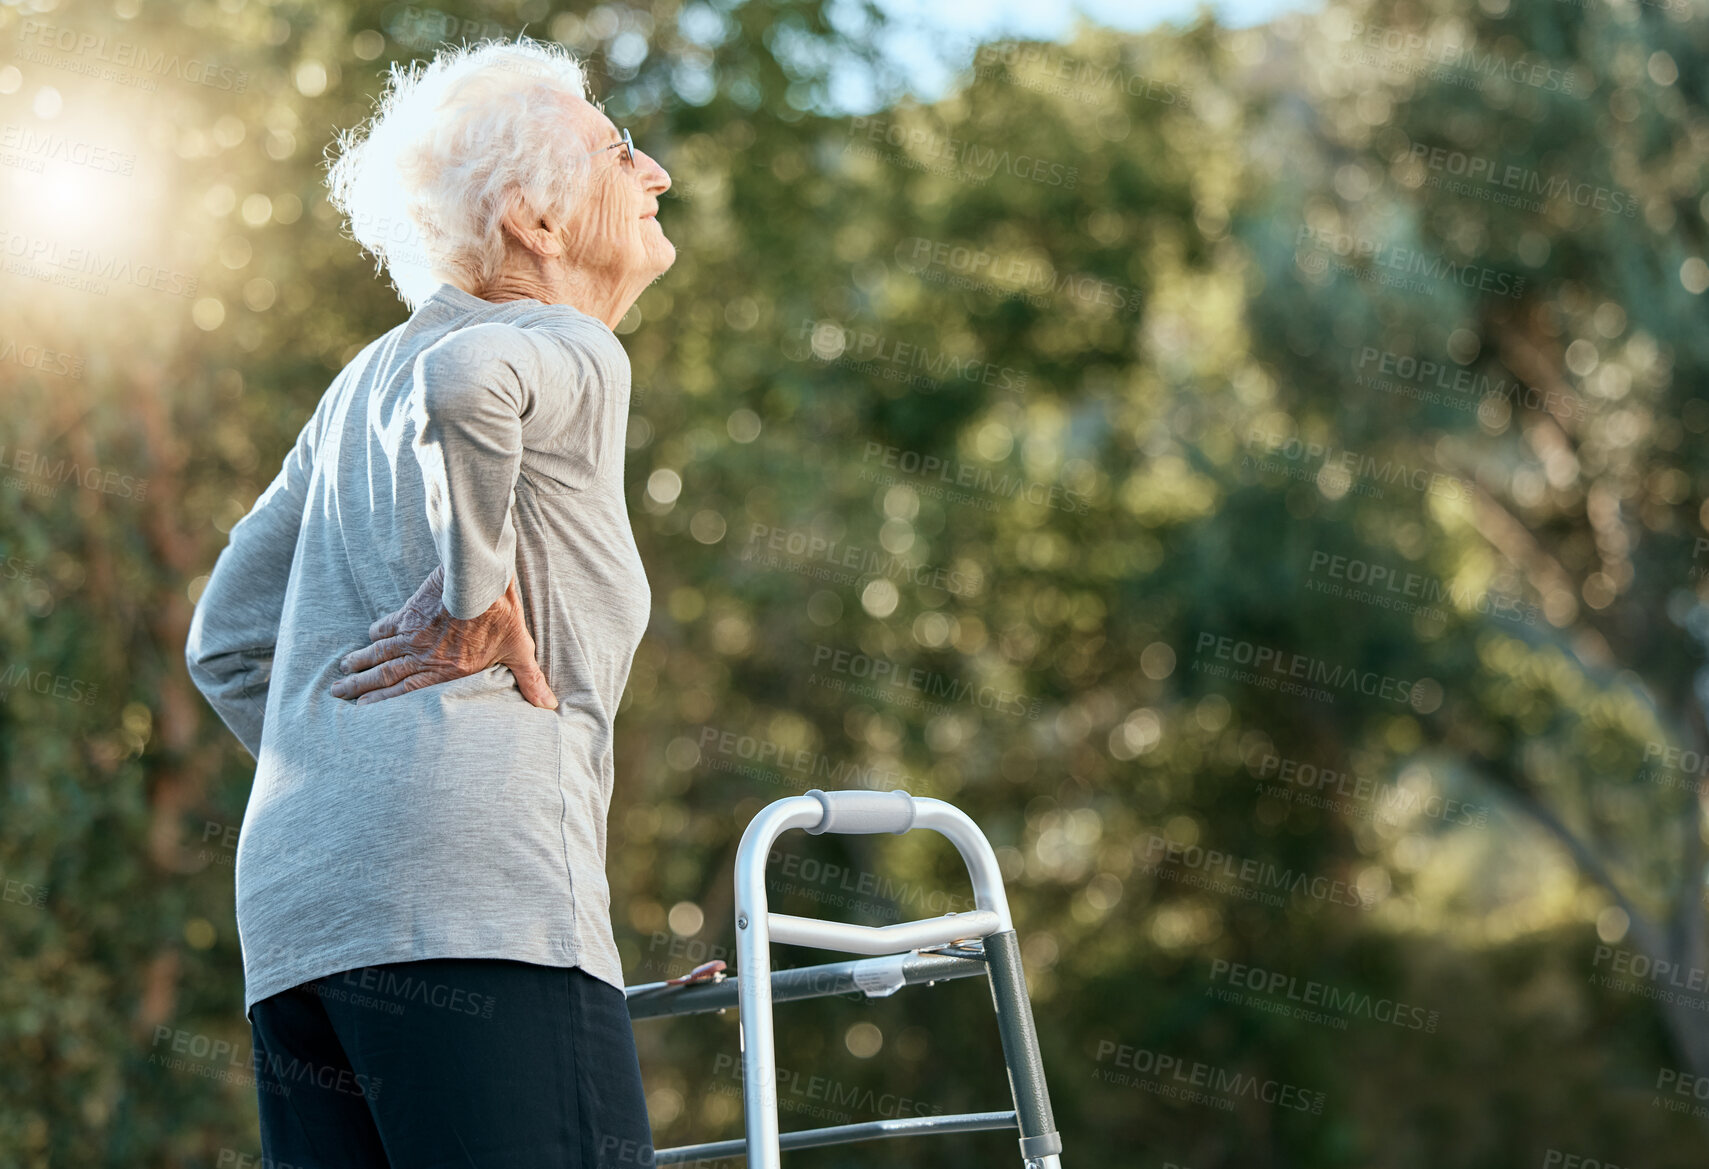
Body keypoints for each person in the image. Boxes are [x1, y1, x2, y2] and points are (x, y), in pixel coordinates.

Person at [184, 36, 673, 1167]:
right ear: (534, 225)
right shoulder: (567, 343)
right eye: (617, 152)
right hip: (479, 912)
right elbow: (472, 382)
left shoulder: (357, 383)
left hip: (304, 921)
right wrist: (472, 593)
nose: (653, 173)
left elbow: (225, 644)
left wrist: (368, 766)